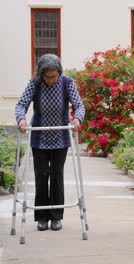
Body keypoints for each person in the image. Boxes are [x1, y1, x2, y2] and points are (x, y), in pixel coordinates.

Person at [15, 54, 85, 231]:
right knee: (41, 174)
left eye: (54, 76)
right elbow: (21, 104)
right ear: (41, 74)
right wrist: (21, 119)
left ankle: (56, 217)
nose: (52, 80)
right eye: (48, 77)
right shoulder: (35, 83)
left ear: (59, 73)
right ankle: (41, 217)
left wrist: (77, 119)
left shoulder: (67, 82)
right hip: (39, 137)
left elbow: (79, 104)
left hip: (61, 136)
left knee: (56, 174)